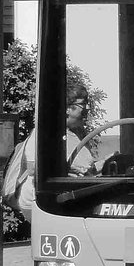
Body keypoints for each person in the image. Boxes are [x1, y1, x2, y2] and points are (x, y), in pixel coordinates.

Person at [10, 85, 98, 221]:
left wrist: (107, 162)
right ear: (67, 108)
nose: (86, 110)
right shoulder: (45, 132)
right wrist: (68, 168)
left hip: (72, 197)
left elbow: (87, 170)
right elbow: (33, 167)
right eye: (83, 105)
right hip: (44, 201)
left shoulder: (78, 134)